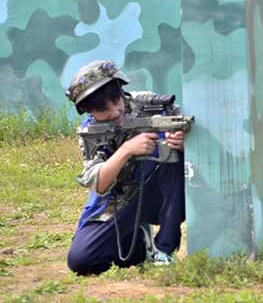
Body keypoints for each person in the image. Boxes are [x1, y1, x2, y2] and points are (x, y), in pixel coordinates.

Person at [65, 60, 186, 275]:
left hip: (160, 193)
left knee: (173, 160)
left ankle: (164, 249)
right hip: (118, 202)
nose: (114, 111)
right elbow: (99, 185)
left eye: (115, 100)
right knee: (81, 260)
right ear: (87, 111)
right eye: (102, 109)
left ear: (121, 90)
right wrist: (127, 150)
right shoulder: (90, 131)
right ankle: (138, 243)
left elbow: (187, 137)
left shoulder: (152, 106)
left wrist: (184, 144)